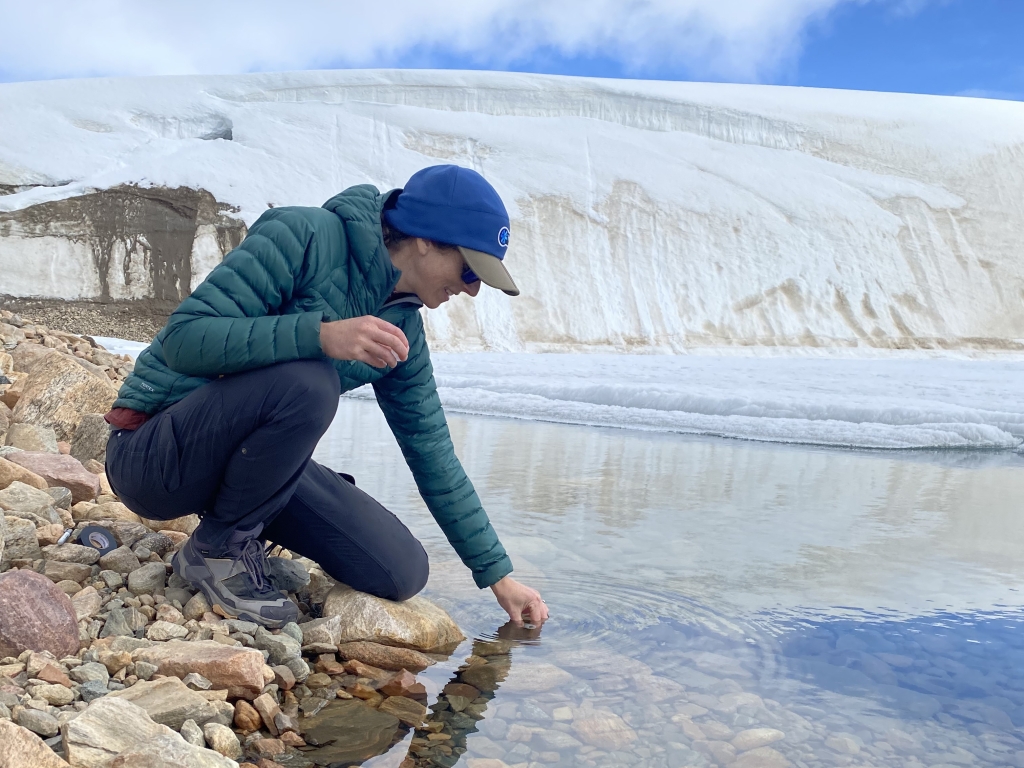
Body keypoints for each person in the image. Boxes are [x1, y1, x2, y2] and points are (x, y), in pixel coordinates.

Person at [103, 164, 548, 629]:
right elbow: (184, 339)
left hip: (244, 462)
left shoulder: (403, 330)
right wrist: (318, 335)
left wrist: (498, 576)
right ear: (426, 239)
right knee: (311, 382)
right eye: (470, 269)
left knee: (401, 570)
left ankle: (244, 530)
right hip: (153, 455)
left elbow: (432, 450)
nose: (472, 289)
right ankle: (217, 551)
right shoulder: (304, 236)